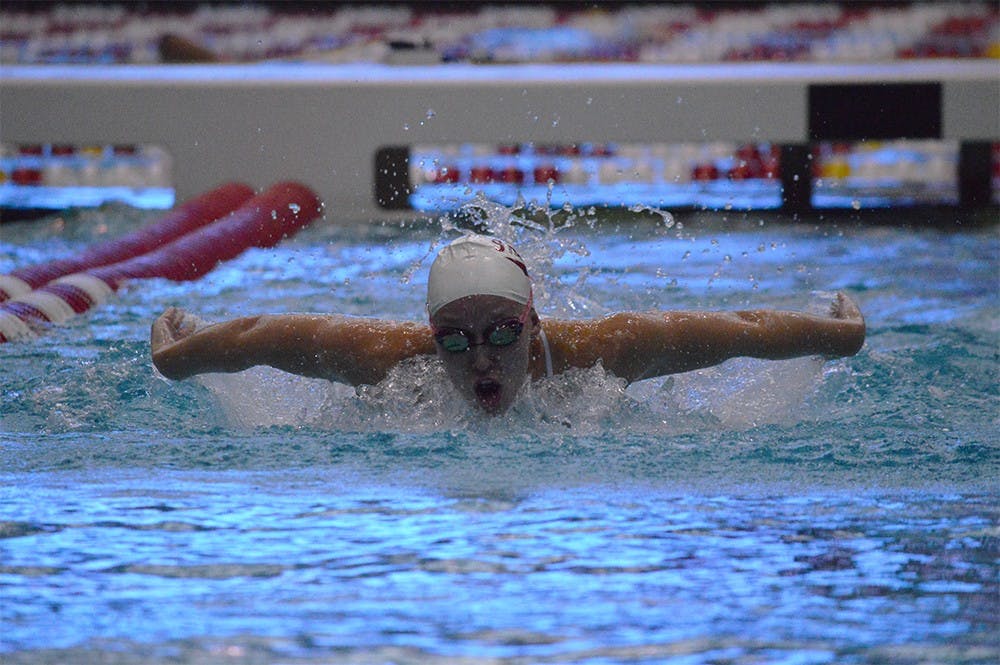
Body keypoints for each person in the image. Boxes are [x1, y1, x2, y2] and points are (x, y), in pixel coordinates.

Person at [151, 234, 865, 415]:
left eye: (501, 333)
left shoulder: (601, 352)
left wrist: (840, 333)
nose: (480, 361)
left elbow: (739, 327)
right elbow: (263, 337)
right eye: (454, 340)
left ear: (534, 319)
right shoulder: (388, 360)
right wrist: (176, 357)